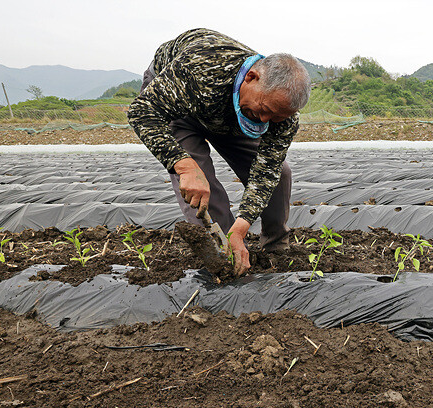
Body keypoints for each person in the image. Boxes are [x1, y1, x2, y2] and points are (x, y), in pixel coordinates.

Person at [128, 28, 311, 275]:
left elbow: (266, 172)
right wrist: (184, 166)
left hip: (229, 113)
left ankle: (275, 249)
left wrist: (241, 229)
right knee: (200, 185)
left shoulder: (281, 115)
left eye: (275, 117)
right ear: (251, 78)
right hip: (178, 103)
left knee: (280, 174)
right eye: (265, 109)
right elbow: (142, 112)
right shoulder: (202, 68)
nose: (265, 120)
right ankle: (226, 259)